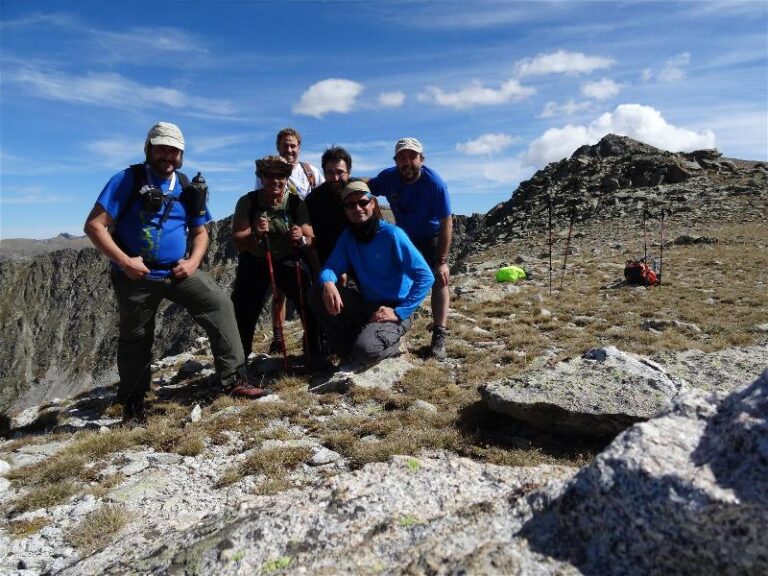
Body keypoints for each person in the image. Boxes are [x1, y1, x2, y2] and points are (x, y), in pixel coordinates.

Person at [84, 122, 268, 426]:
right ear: (149, 148)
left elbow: (200, 232)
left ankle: (234, 378)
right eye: (162, 148)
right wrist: (125, 262)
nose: (168, 156)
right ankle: (133, 402)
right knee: (136, 336)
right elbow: (95, 225)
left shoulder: (186, 186)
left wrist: (194, 261)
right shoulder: (127, 179)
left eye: (174, 150)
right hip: (135, 275)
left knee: (218, 303)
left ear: (181, 154)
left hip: (176, 269)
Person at [309, 181, 434, 367]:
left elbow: (425, 277)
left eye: (363, 202)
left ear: (373, 204)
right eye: (350, 205)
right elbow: (331, 267)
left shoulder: (392, 235)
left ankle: (395, 345)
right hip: (368, 304)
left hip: (395, 308)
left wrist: (400, 312)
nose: (357, 208)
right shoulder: (348, 236)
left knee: (366, 351)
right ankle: (346, 352)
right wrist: (327, 282)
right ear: (345, 209)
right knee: (316, 293)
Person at [368, 138, 452, 359]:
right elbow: (366, 189)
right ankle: (393, 325)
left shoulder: (435, 183)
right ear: (396, 161)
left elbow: (446, 221)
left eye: (412, 157)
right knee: (393, 278)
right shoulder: (388, 177)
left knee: (439, 280)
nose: (407, 162)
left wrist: (442, 260)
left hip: (431, 236)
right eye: (402, 158)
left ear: (421, 159)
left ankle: (439, 333)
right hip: (403, 237)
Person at [232, 155, 319, 366]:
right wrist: (255, 234)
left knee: (308, 302)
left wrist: (301, 235)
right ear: (261, 177)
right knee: (243, 311)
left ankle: (314, 351)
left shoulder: (296, 204)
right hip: (255, 259)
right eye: (269, 175)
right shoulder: (248, 202)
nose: (275, 180)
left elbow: (311, 236)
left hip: (288, 259)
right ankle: (239, 361)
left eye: (280, 175)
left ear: (287, 177)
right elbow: (239, 241)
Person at [255, 128, 325, 354]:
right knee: (279, 290)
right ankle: (278, 336)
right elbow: (261, 200)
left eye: (293, 145)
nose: (289, 149)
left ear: (299, 147)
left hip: (307, 233)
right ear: (279, 147)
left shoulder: (310, 171)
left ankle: (314, 333)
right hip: (279, 235)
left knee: (314, 280)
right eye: (285, 145)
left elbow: (322, 196)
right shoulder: (267, 172)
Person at [304, 146, 353, 267]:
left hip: (359, 257)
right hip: (328, 260)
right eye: (330, 173)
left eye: (340, 172)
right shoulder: (313, 200)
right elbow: (311, 239)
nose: (335, 178)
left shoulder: (359, 193)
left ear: (349, 171)